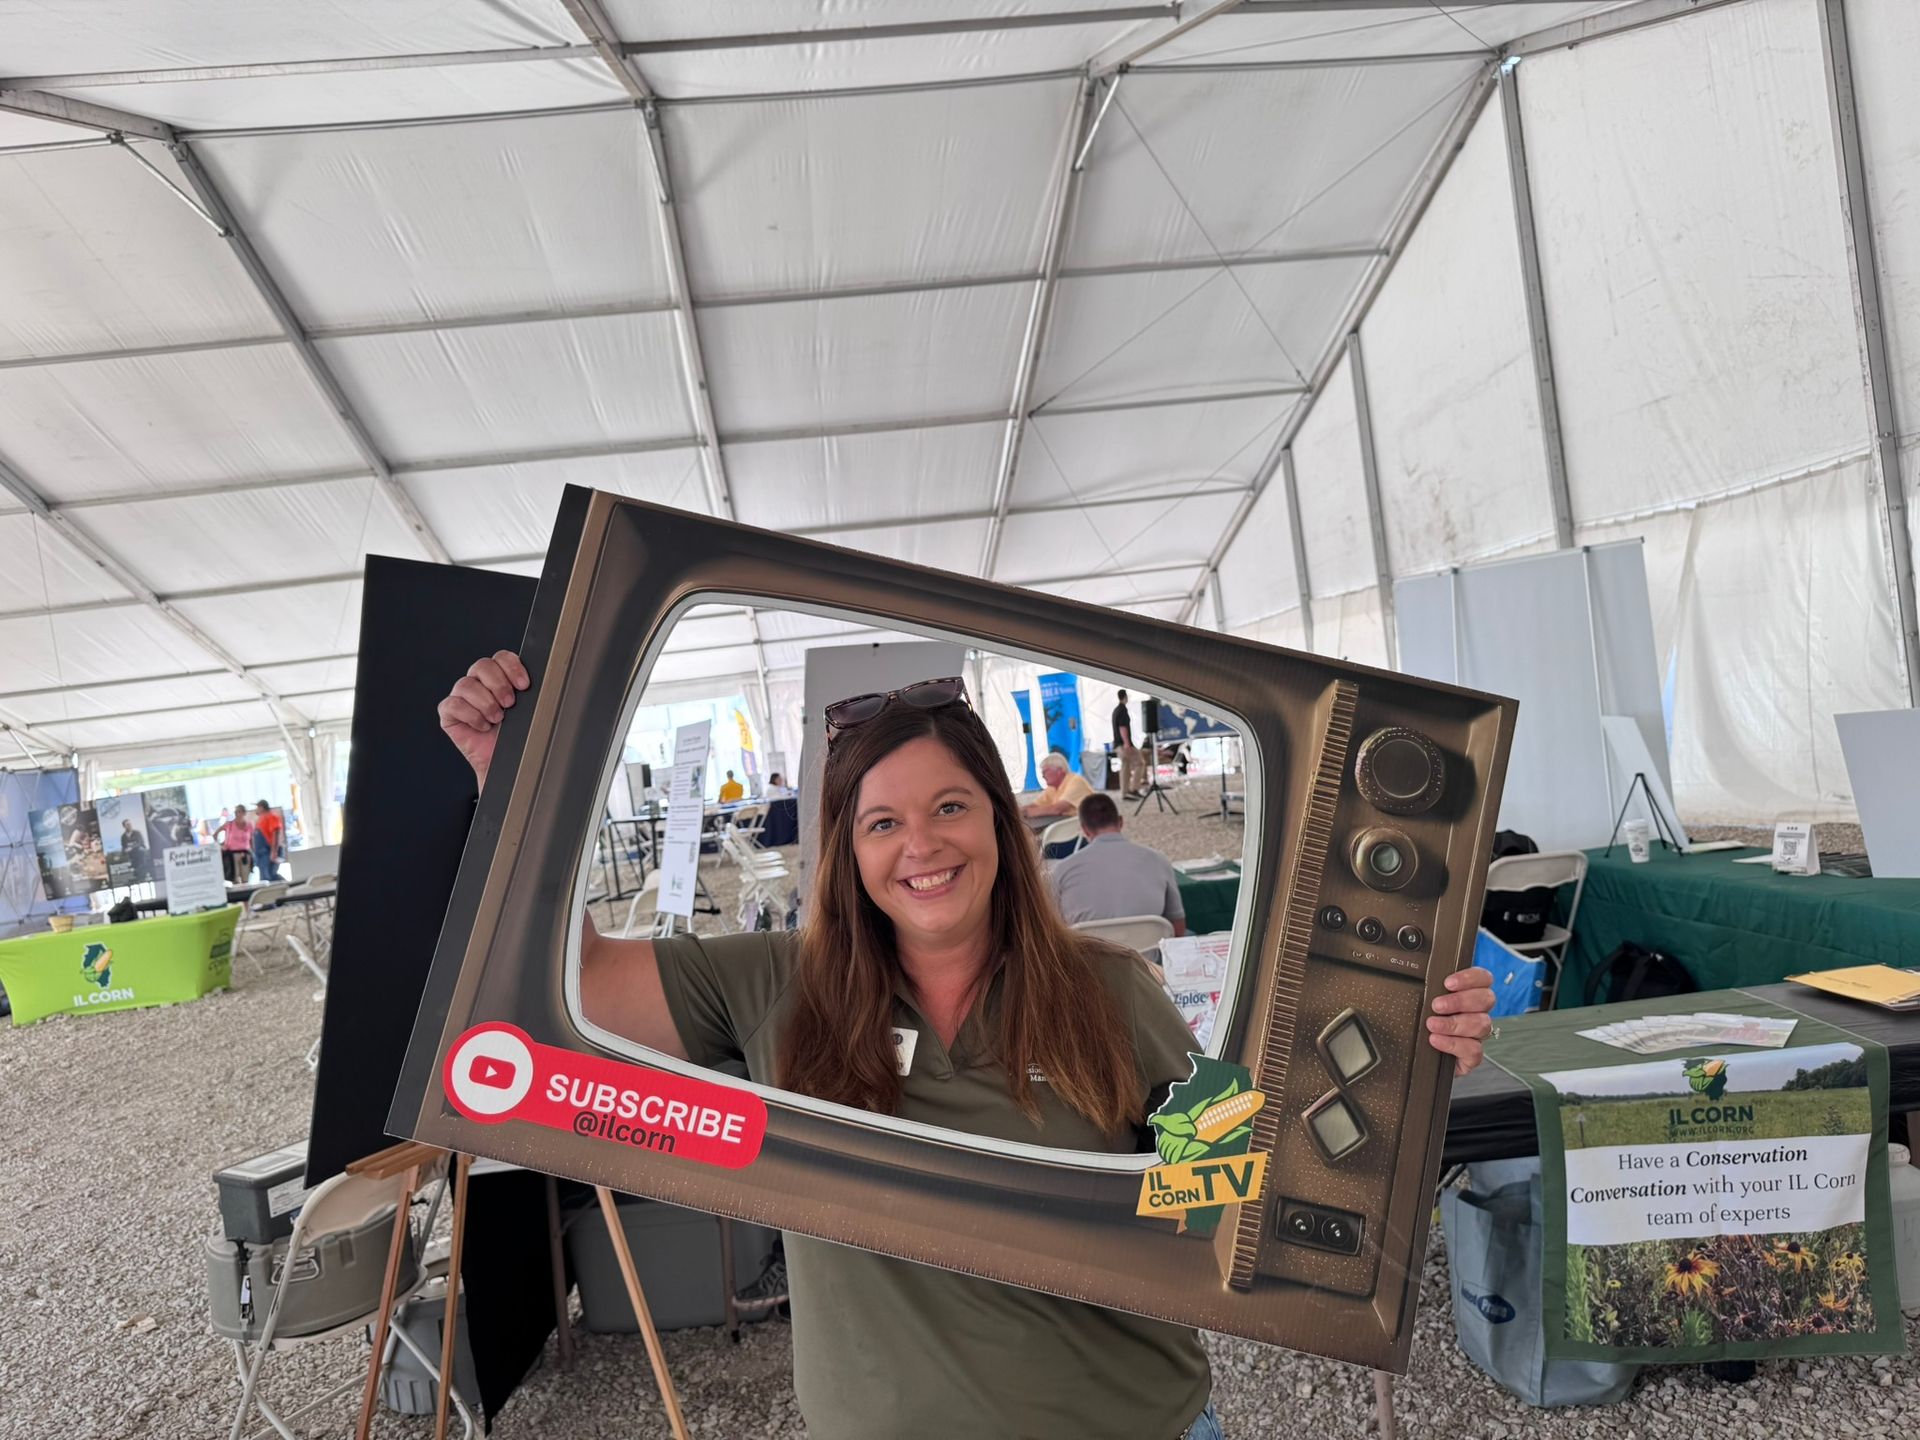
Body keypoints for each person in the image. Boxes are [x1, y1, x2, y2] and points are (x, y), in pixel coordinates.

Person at [437, 650, 1498, 1440]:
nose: (922, 845)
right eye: (882, 823)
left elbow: (1226, 1188)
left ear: (1001, 820)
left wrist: (1393, 1064)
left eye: (950, 806)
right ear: (846, 849)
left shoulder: (1112, 992)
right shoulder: (771, 985)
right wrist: (511, 784)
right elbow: (568, 983)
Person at [1050, 794, 1186, 935]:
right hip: (1149, 948)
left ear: (1084, 829)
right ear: (1121, 822)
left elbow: (1051, 925)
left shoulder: (1062, 870)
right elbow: (1177, 922)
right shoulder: (1159, 861)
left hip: (1088, 949)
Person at [1020, 750, 1095, 821]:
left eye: (1045, 771)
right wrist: (1020, 811)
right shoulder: (1052, 787)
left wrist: (1027, 812)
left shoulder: (1076, 781)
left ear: (1059, 770)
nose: (1043, 776)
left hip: (1089, 825)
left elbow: (1057, 809)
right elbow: (1035, 805)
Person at [1114, 688, 1147, 799]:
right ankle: (1134, 788)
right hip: (1124, 744)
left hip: (1118, 744)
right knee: (1140, 763)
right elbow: (1122, 727)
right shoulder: (1122, 710)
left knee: (1125, 767)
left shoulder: (1116, 710)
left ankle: (1125, 792)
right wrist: (1127, 743)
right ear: (1125, 697)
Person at [214, 804, 254, 884]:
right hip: (232, 854)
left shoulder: (249, 825)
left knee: (245, 878)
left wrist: (252, 851)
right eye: (235, 812)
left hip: (245, 854)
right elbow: (215, 834)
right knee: (234, 878)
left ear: (244, 813)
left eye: (239, 812)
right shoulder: (229, 824)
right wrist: (221, 846)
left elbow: (251, 839)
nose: (236, 814)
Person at [252, 799, 286, 883]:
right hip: (261, 853)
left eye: (257, 807)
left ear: (262, 808)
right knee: (265, 877)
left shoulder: (271, 816)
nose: (256, 809)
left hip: (268, 851)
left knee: (270, 876)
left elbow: (276, 833)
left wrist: (274, 852)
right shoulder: (261, 819)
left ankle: (286, 885)